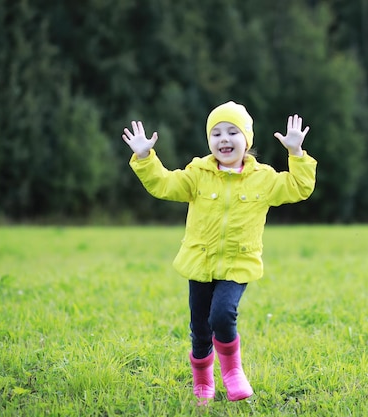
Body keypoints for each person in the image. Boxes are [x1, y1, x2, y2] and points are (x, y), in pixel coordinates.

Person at [121, 101, 317, 403]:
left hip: (238, 262)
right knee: (200, 329)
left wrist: (296, 153)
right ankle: (202, 381)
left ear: (247, 140)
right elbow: (164, 184)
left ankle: (233, 371)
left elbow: (298, 187)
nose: (224, 139)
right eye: (216, 134)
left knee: (223, 315)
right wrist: (145, 157)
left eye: (232, 132)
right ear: (209, 141)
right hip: (200, 262)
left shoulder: (263, 179)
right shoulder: (197, 174)